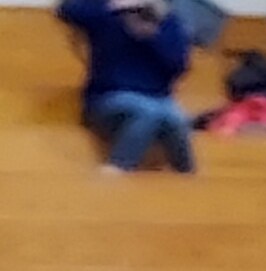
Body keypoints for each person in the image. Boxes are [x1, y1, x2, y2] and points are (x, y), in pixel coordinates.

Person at [57, 0, 194, 174]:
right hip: (107, 98)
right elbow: (67, 10)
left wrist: (153, 37)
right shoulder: (107, 17)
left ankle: (187, 177)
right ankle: (117, 169)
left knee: (178, 120)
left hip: (158, 98)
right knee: (149, 112)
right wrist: (118, 5)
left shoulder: (168, 22)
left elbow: (178, 67)